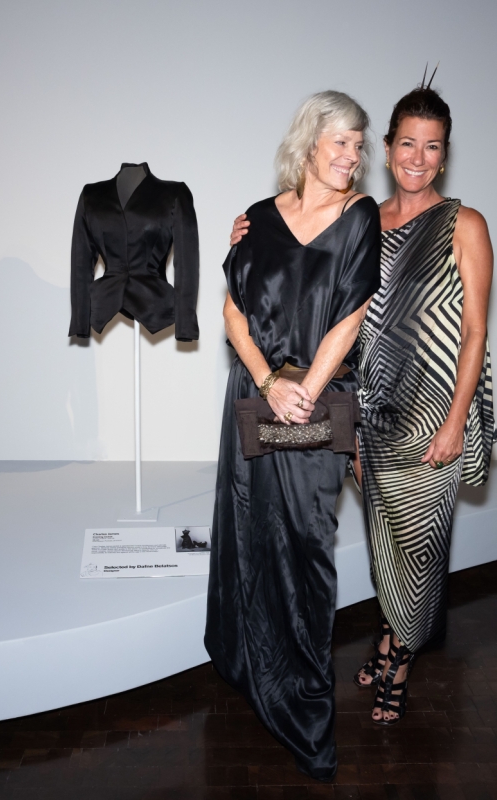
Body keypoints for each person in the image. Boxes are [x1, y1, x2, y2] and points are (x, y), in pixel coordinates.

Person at [228, 81, 497, 727]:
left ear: (444, 154)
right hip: (372, 415)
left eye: (432, 147)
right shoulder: (363, 218)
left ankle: (397, 661)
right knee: (385, 547)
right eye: (407, 142)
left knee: (421, 547)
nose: (418, 156)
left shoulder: (464, 223)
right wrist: (248, 231)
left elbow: (475, 332)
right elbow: (302, 256)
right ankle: (390, 638)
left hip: (433, 415)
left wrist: (458, 420)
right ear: (387, 147)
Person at [205, 91, 381, 782]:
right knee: (250, 527)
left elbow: (352, 316)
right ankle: (249, 665)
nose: (352, 156)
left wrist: (304, 389)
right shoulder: (259, 218)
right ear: (310, 142)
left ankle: (304, 706)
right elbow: (230, 311)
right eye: (341, 141)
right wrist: (268, 381)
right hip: (257, 395)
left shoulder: (357, 217)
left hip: (315, 401)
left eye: (360, 145)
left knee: (305, 546)